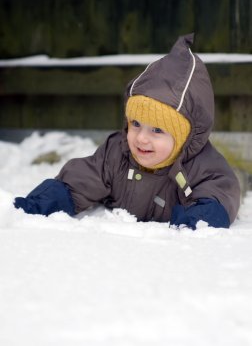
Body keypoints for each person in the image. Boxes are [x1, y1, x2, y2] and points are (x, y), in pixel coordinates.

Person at [14, 34, 240, 230]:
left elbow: (220, 194)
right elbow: (80, 180)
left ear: (183, 138)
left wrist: (200, 219)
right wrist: (42, 203)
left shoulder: (202, 168)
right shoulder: (116, 153)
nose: (141, 138)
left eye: (157, 130)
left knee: (237, 178)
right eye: (136, 124)